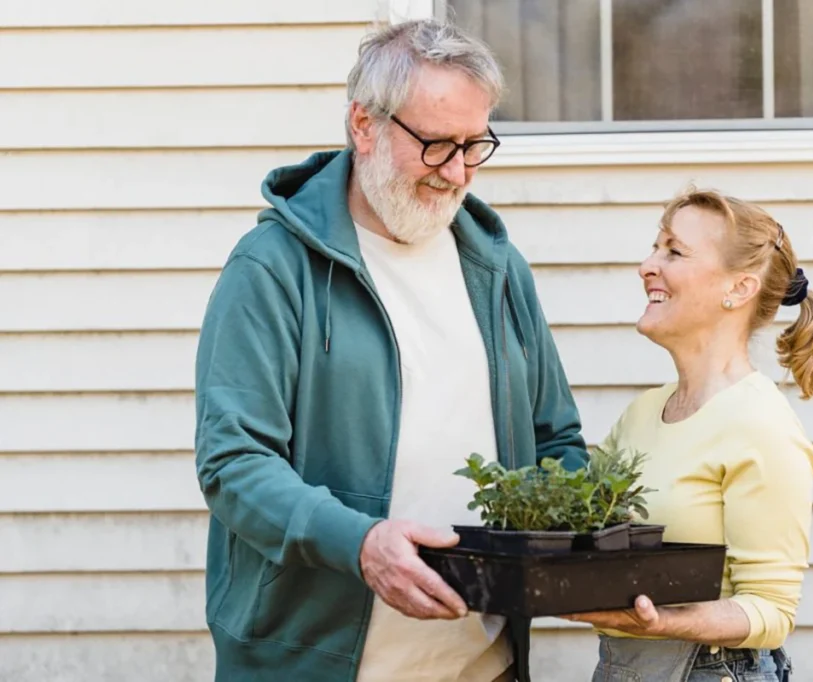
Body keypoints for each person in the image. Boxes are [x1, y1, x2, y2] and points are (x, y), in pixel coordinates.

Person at [193, 18, 587, 682]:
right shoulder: (272, 268)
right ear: (364, 125)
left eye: (474, 144)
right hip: (310, 668)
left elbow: (556, 440)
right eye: (435, 145)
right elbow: (234, 463)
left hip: (484, 666)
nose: (458, 172)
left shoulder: (497, 269)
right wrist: (362, 545)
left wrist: (588, 549)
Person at [562, 189, 813, 682]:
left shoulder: (761, 424)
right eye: (654, 247)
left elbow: (771, 611)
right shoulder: (643, 412)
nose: (647, 265)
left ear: (740, 287)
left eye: (673, 251)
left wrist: (665, 622)